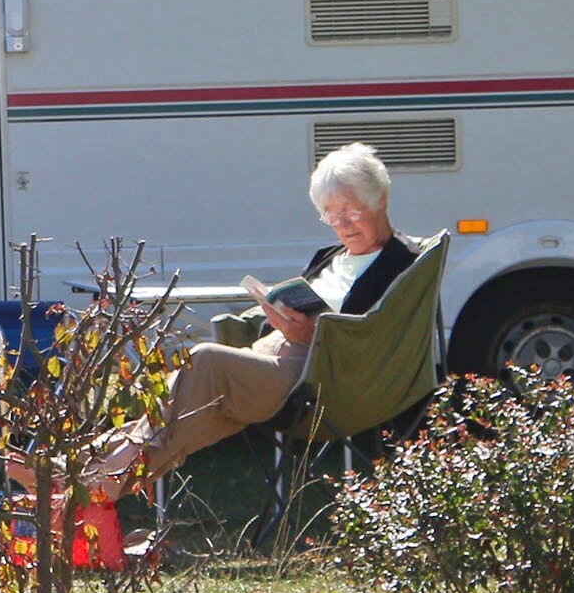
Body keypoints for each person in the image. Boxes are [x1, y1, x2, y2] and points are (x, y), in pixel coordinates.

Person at [92, 142, 418, 484]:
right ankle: (81, 483)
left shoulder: (401, 263)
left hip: (315, 376)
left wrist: (312, 334)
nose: (341, 225)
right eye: (330, 214)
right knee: (191, 410)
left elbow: (376, 339)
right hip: (272, 355)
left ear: (379, 198)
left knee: (203, 362)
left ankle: (83, 480)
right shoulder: (331, 254)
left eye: (350, 211)